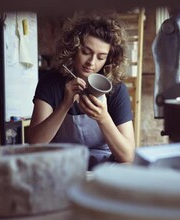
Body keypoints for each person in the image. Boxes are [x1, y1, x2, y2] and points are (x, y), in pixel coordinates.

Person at [27, 13, 135, 170]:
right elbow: (34, 144)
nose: (91, 62)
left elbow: (129, 155)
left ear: (109, 59)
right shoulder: (50, 83)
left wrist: (103, 118)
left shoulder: (116, 89)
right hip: (61, 166)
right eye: (86, 51)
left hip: (103, 169)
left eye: (101, 57)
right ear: (73, 48)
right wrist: (64, 105)